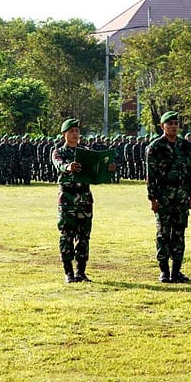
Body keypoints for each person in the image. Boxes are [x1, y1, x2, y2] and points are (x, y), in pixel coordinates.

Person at [51, 118, 114, 283]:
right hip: (67, 199)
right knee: (66, 236)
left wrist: (108, 169)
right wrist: (68, 167)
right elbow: (59, 165)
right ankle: (68, 273)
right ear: (64, 134)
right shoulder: (58, 152)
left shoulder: (85, 151)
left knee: (84, 237)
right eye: (71, 131)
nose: (75, 134)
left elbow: (96, 172)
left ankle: (81, 272)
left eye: (77, 131)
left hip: (85, 197)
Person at [146, 111, 191, 283]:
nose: (174, 127)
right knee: (163, 234)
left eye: (176, 123)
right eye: (170, 124)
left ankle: (176, 271)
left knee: (179, 233)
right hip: (163, 197)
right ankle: (164, 271)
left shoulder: (185, 146)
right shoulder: (155, 147)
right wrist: (152, 199)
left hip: (181, 197)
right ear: (162, 126)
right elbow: (151, 176)